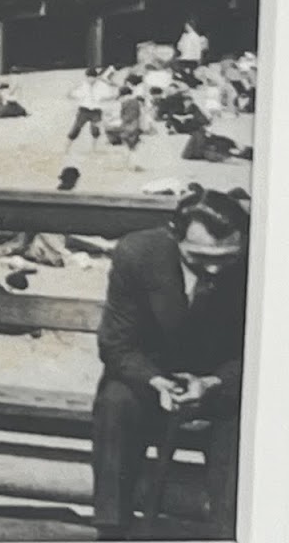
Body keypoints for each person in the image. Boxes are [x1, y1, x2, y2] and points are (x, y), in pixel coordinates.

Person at [91, 186, 249, 541]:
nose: (212, 267)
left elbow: (268, 349)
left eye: (226, 257)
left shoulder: (259, 260)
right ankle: (111, 527)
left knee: (246, 422)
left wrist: (214, 383)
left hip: (224, 382)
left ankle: (231, 530)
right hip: (154, 377)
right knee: (116, 401)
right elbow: (116, 344)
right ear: (174, 236)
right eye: (199, 256)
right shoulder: (138, 254)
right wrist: (156, 381)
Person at [66, 67, 114, 152]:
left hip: (96, 110)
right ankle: (67, 148)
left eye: (93, 77)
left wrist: (105, 99)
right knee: (76, 129)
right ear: (86, 77)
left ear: (96, 77)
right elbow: (71, 95)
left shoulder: (102, 85)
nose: (91, 80)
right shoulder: (82, 85)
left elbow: (110, 96)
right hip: (83, 110)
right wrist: (72, 91)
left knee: (95, 130)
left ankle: (93, 149)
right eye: (89, 77)